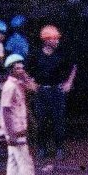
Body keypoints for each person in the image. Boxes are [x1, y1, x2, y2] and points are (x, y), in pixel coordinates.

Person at [0, 54, 45, 175]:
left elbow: (34, 89)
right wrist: (10, 133)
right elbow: (5, 110)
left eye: (22, 67)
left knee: (13, 162)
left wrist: (25, 76)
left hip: (18, 127)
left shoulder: (18, 83)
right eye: (18, 68)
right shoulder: (10, 86)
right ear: (11, 69)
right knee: (26, 163)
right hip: (15, 129)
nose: (21, 69)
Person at [29, 25, 77, 160]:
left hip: (57, 90)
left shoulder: (61, 54)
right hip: (42, 91)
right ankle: (42, 148)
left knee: (58, 120)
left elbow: (73, 66)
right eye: (54, 39)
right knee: (42, 121)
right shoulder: (36, 54)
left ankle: (59, 148)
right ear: (45, 40)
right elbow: (28, 70)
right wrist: (31, 83)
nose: (57, 41)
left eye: (57, 38)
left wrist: (69, 82)